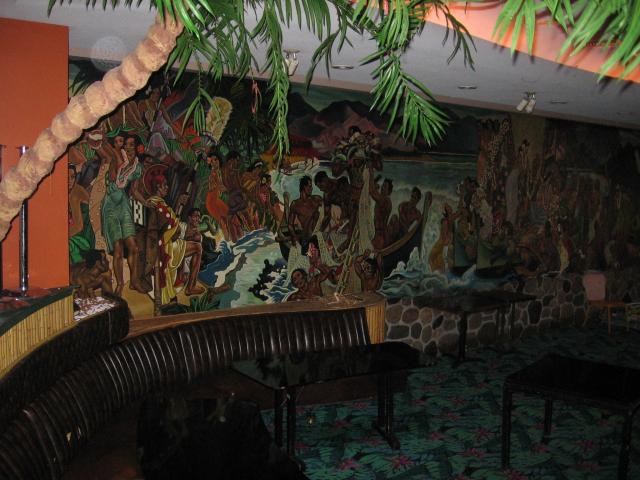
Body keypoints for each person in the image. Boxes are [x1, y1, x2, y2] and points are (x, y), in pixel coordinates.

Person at [98, 134, 147, 296]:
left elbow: (134, 190)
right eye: (126, 144)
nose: (129, 148)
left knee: (134, 247)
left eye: (132, 145)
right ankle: (120, 284)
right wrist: (117, 158)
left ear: (137, 147)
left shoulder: (137, 167)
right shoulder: (116, 158)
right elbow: (113, 177)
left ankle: (134, 281)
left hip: (124, 205)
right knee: (118, 249)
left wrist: (146, 202)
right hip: (110, 205)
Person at [147, 175, 205, 305]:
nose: (167, 188)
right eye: (165, 185)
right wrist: (176, 229)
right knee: (198, 248)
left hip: (169, 243)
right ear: (158, 187)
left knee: (196, 244)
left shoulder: (160, 203)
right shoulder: (156, 204)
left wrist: (178, 204)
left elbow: (172, 221)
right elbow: (169, 226)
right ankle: (190, 287)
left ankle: (187, 283)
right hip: (167, 246)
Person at [68, 164, 95, 265]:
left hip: (84, 237)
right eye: (66, 177)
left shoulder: (75, 193)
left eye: (72, 177)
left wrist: (60, 237)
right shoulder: (65, 192)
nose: (70, 181)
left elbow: (78, 226)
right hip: (74, 233)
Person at [287, 176, 322, 249]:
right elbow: (290, 224)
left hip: (319, 237)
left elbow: (329, 207)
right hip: (307, 239)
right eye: (310, 186)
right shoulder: (295, 204)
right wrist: (294, 236)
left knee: (316, 214)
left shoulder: (316, 199)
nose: (312, 188)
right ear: (304, 187)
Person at [369, 169, 393, 250]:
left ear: (389, 192)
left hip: (381, 236)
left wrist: (371, 174)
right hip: (376, 233)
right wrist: (375, 180)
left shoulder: (386, 200)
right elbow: (373, 190)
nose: (382, 188)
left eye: (385, 187)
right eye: (383, 185)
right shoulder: (381, 198)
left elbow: (372, 191)